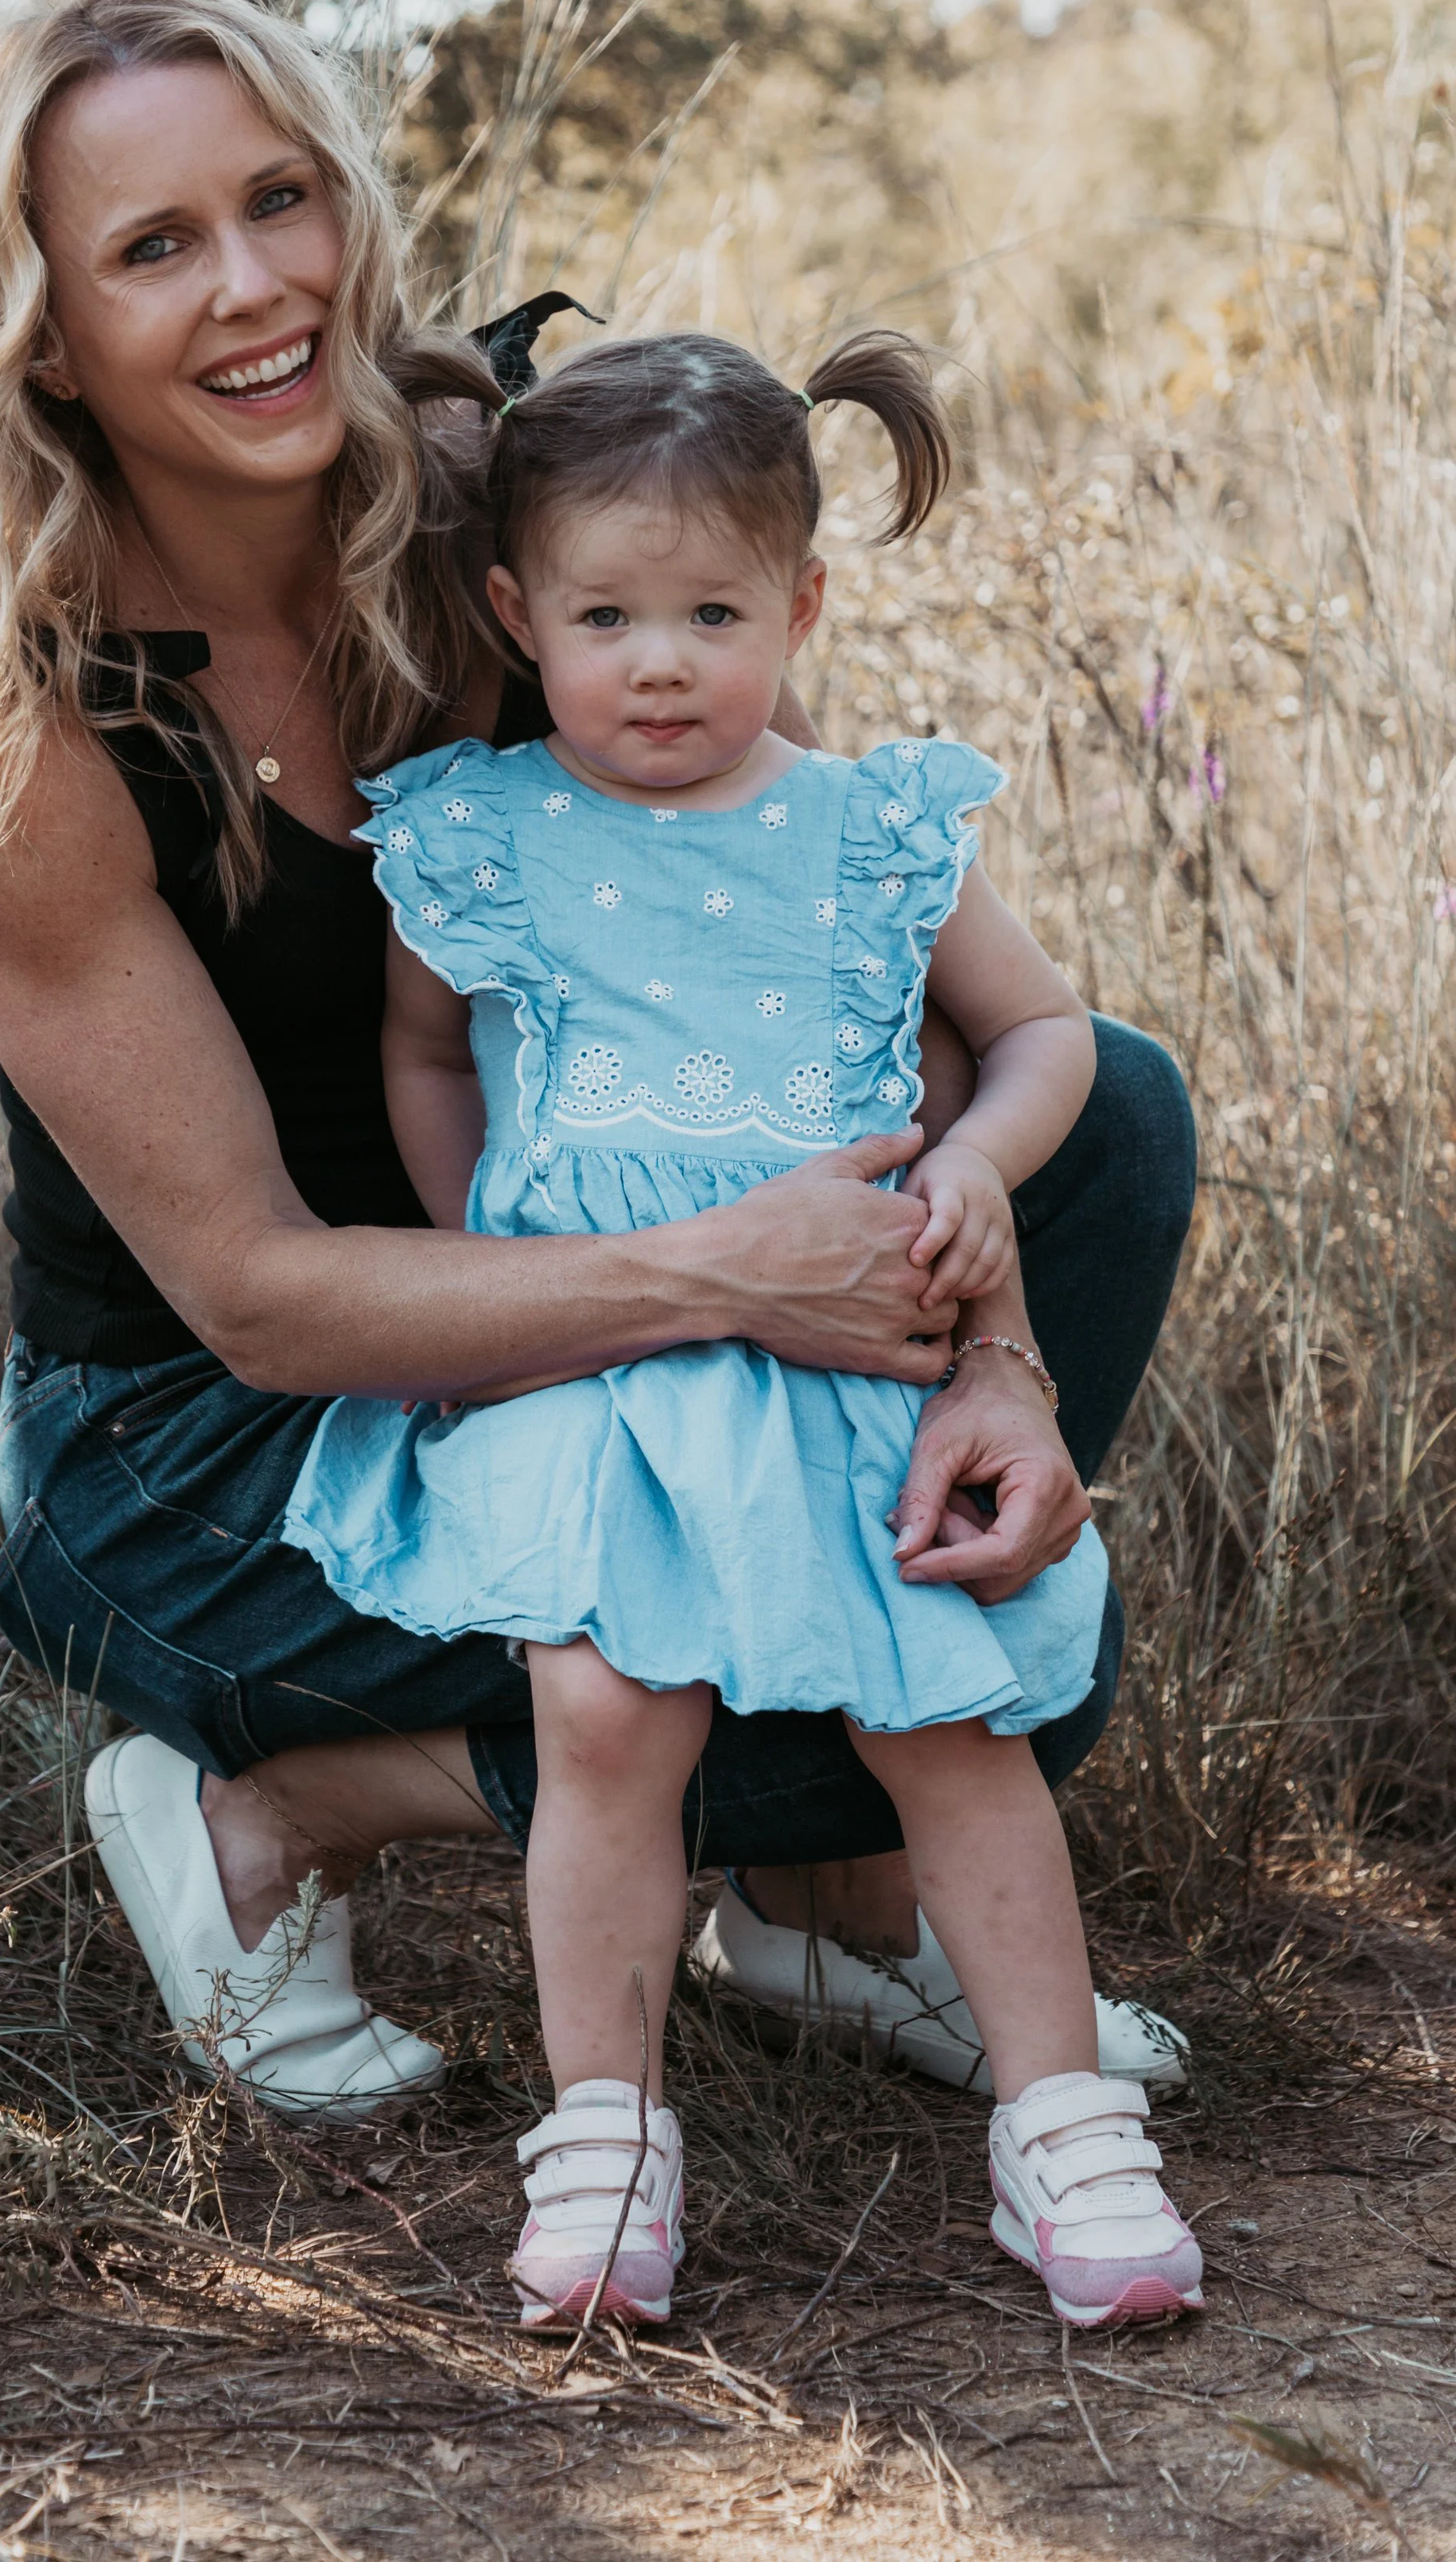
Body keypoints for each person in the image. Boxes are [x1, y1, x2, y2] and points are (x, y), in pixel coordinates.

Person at [0, 0, 1194, 2162]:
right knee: (812, 1691)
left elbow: (882, 981)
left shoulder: (477, 512)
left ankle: (822, 1911)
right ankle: (266, 1803)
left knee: (1100, 1132)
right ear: (45, 330)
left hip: (582, 1282)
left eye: (281, 199)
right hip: (204, 1439)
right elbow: (264, 1295)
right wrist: (735, 1284)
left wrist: (996, 1371)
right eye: (155, 245)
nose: (259, 283)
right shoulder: (12, 728)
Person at [283, 329, 1205, 2333]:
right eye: (606, 617)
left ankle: (1061, 2137)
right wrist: (474, 1250)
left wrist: (973, 1161)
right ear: (518, 615)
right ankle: (605, 2135)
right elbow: (422, 1051)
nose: (662, 665)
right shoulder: (482, 830)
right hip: (603, 1370)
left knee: (946, 1719)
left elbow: (1044, 1029)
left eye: (712, 613)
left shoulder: (868, 829)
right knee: (606, 1715)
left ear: (800, 603)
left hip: (846, 1360)